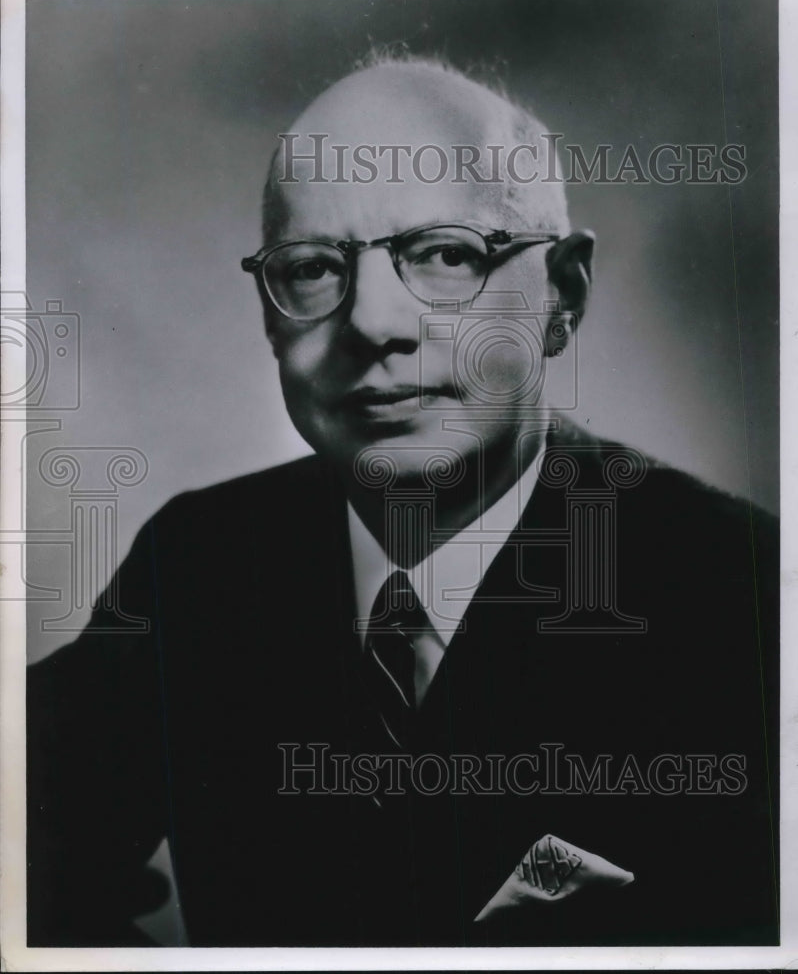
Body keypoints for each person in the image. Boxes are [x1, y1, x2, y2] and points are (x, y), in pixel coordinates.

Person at [27, 54, 778, 948]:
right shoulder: (198, 562)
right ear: (271, 317)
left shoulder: (741, 592)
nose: (373, 324)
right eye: (311, 268)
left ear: (562, 295)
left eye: (446, 255)